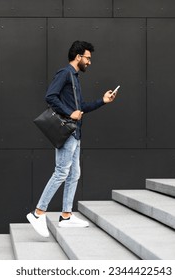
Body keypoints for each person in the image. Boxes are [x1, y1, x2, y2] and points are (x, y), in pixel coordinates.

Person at [27, 40, 117, 237]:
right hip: (67, 131)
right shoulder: (65, 73)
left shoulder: (74, 77)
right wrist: (69, 113)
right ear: (78, 57)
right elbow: (50, 96)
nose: (89, 62)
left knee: (74, 173)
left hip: (75, 133)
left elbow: (81, 107)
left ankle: (66, 216)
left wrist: (102, 101)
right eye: (88, 58)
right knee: (61, 172)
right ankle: (38, 213)